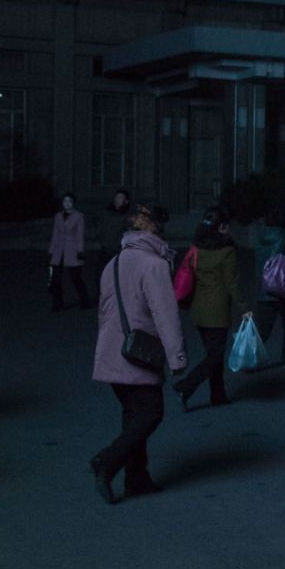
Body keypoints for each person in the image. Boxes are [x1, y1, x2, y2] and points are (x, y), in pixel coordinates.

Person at [89, 202, 189, 504]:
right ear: (155, 230)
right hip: (140, 353)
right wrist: (177, 358)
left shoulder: (114, 263)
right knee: (151, 414)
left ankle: (137, 478)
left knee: (132, 414)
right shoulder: (154, 265)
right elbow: (165, 314)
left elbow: (103, 310)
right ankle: (106, 462)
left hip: (113, 350)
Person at [173, 208, 249, 411]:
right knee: (215, 356)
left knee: (212, 354)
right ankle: (186, 386)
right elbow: (233, 283)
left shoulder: (197, 248)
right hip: (217, 312)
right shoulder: (227, 252)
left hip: (198, 310)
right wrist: (244, 308)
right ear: (222, 227)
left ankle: (218, 395)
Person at [252, 209, 285, 368]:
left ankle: (249, 359)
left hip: (264, 290)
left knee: (263, 331)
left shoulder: (258, 239)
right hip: (282, 291)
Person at [47, 193, 89, 312]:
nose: (67, 203)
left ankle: (84, 301)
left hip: (72, 250)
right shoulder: (58, 216)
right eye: (65, 201)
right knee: (55, 279)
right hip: (58, 251)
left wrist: (80, 251)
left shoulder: (79, 216)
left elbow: (80, 235)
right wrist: (51, 250)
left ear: (73, 203)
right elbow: (55, 234)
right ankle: (57, 304)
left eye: (69, 201)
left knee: (76, 278)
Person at [97, 188, 133, 281]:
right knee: (101, 275)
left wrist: (119, 245)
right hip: (105, 249)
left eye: (120, 198)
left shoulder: (128, 216)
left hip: (118, 251)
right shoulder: (106, 213)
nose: (117, 200)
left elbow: (128, 232)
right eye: (116, 197)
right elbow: (101, 227)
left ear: (126, 201)